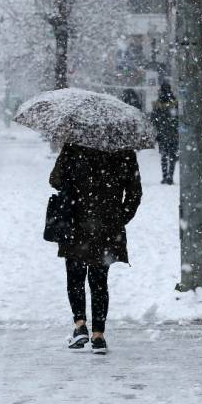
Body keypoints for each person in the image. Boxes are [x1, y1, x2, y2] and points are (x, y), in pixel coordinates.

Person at [49, 143, 142, 353]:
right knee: (99, 281)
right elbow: (135, 193)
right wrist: (119, 217)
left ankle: (80, 325)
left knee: (75, 277)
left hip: (75, 222)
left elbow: (55, 180)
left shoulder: (73, 147)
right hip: (107, 227)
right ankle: (98, 336)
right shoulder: (124, 151)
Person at [150, 83, 179, 184]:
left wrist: (157, 132)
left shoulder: (158, 102)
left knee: (164, 156)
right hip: (173, 134)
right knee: (172, 156)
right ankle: (170, 176)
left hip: (162, 134)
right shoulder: (174, 102)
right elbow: (177, 118)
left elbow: (153, 119)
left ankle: (165, 176)